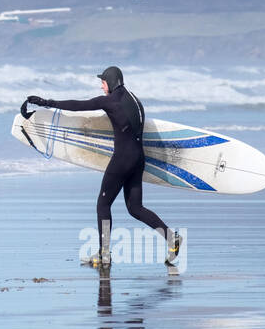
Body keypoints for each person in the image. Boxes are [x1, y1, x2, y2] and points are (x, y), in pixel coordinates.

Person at [21, 66, 181, 271]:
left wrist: (46, 103)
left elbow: (79, 105)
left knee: (103, 204)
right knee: (135, 208)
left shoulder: (110, 101)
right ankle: (171, 238)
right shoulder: (134, 99)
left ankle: (104, 254)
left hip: (122, 159)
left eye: (103, 82)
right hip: (138, 158)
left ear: (111, 82)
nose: (101, 85)